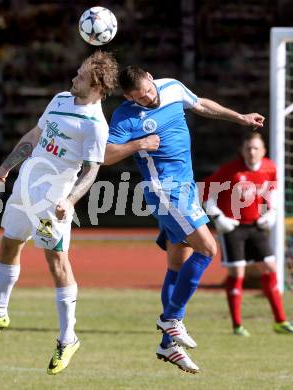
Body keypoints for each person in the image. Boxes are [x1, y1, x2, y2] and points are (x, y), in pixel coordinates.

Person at [0, 51, 119, 375]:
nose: (74, 78)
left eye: (81, 75)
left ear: (97, 85)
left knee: (56, 261)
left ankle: (68, 338)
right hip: (25, 186)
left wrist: (71, 200)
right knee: (10, 242)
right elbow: (35, 136)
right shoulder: (61, 99)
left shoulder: (96, 126)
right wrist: (6, 168)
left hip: (52, 198)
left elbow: (91, 171)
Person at [104, 66, 265, 374]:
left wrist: (239, 118)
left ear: (151, 78)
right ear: (128, 96)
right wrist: (138, 144)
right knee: (208, 249)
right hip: (165, 190)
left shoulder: (172, 87)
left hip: (186, 188)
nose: (148, 98)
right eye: (140, 97)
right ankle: (171, 319)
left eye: (149, 91)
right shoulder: (125, 116)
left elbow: (201, 104)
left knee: (179, 263)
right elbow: (105, 155)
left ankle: (168, 344)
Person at [204, 131, 293, 337]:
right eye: (248, 148)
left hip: (256, 226)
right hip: (232, 227)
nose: (251, 152)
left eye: (255, 148)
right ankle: (237, 325)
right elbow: (206, 195)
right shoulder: (230, 171)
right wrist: (218, 218)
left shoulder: (270, 167)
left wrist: (272, 212)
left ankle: (280, 321)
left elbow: (274, 192)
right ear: (242, 150)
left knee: (270, 267)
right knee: (238, 273)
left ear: (263, 151)